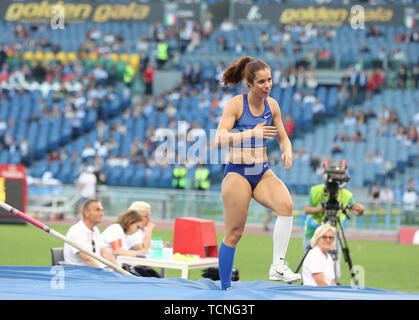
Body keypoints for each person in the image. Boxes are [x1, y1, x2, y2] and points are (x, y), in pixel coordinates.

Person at [214, 56, 300, 290]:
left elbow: (283, 137)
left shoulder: (272, 105)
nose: (267, 85)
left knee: (287, 206)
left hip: (261, 171)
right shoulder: (236, 105)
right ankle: (224, 289)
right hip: (238, 173)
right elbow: (219, 139)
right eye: (261, 81)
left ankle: (278, 266)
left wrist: (288, 151)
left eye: (270, 80)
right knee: (234, 233)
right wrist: (251, 134)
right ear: (250, 83)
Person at [303, 172, 365, 281]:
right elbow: (307, 209)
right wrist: (320, 209)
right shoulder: (317, 190)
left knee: (333, 268)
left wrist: (357, 209)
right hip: (313, 233)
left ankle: (333, 285)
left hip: (333, 234)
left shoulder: (346, 195)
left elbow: (357, 210)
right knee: (310, 265)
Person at [102, 209, 162, 277]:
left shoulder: (122, 233)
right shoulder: (116, 229)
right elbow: (118, 251)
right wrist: (140, 252)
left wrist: (140, 252)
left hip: (116, 268)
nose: (137, 230)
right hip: (108, 269)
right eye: (137, 226)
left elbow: (122, 252)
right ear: (130, 222)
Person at [63, 199, 118, 268]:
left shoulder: (95, 230)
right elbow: (88, 259)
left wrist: (119, 270)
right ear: (86, 213)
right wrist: (104, 274)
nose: (102, 214)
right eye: (98, 210)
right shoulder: (77, 231)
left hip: (93, 271)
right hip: (78, 274)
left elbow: (105, 253)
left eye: (102, 210)